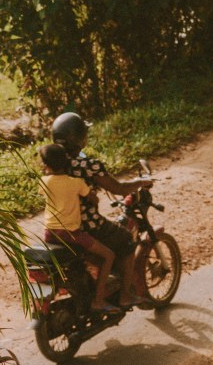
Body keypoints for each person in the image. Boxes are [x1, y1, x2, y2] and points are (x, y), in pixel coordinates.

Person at [51, 112, 151, 309]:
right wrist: (142, 182)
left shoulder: (52, 164)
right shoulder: (88, 165)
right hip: (87, 226)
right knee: (126, 240)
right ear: (78, 139)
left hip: (59, 224)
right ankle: (125, 296)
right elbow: (118, 189)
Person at [39, 142, 121, 316]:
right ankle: (98, 301)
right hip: (71, 234)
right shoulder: (75, 183)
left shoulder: (44, 181)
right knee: (108, 256)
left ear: (46, 165)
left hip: (49, 234)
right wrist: (92, 196)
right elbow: (94, 199)